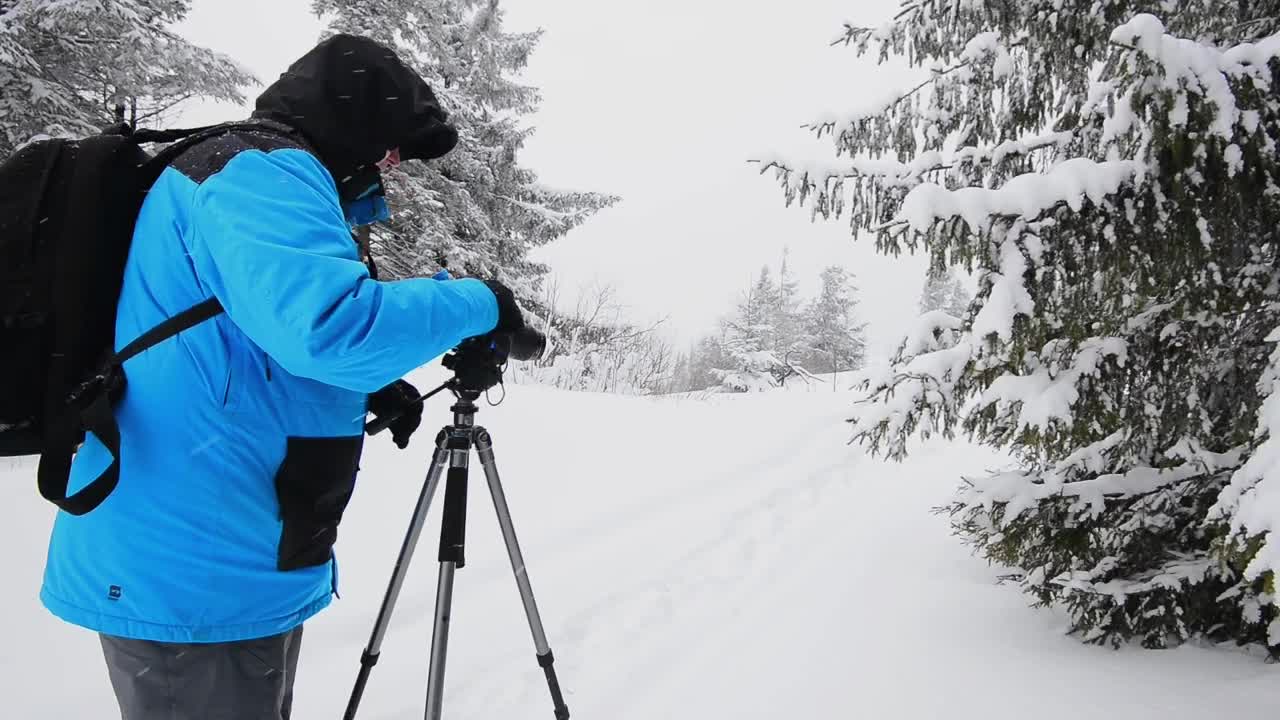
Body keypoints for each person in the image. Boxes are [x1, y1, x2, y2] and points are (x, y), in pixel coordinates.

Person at [38, 34, 524, 720]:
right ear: (352, 114)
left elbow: (240, 333)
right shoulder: (260, 172)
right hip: (197, 565)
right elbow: (330, 329)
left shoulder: (251, 172)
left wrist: (364, 385)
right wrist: (482, 301)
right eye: (390, 145)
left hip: (222, 550)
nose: (390, 164)